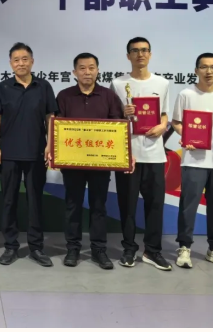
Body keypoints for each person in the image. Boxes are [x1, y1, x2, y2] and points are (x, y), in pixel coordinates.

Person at [56, 53, 133, 270]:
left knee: (99, 206)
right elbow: (57, 128)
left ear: (98, 71)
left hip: (101, 162)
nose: (87, 72)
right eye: (82, 68)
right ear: (74, 72)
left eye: (91, 68)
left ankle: (99, 249)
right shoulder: (64, 96)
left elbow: (117, 128)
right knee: (73, 205)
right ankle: (73, 248)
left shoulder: (108, 96)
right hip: (72, 162)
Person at [0, 42, 57, 267]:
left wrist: (50, 144)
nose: (21, 63)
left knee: (35, 201)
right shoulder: (3, 87)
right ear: (11, 64)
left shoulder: (43, 86)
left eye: (25, 59)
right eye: (16, 60)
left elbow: (50, 117)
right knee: (9, 200)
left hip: (36, 152)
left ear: (32, 61)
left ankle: (36, 247)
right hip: (8, 153)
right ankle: (10, 246)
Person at [171, 52, 213, 270]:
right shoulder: (186, 94)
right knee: (188, 206)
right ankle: (184, 248)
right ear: (196, 70)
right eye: (204, 67)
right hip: (193, 160)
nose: (209, 71)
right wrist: (186, 137)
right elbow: (176, 122)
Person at [110, 37, 172, 271]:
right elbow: (112, 118)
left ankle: (152, 251)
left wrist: (162, 126)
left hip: (155, 155)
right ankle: (129, 249)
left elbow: (164, 115)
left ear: (150, 54)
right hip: (128, 155)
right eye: (135, 51)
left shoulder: (162, 83)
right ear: (128, 56)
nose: (140, 54)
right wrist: (123, 113)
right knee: (127, 206)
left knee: (155, 205)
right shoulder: (118, 83)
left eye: (145, 50)